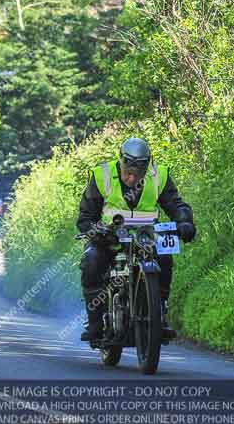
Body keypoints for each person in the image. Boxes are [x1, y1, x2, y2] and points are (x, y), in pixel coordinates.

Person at [76, 137, 196, 342]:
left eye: (138, 174)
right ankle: (95, 322)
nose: (132, 179)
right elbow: (85, 218)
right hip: (110, 238)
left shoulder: (159, 176)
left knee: (165, 258)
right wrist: (99, 231)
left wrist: (184, 221)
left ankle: (159, 314)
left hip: (146, 237)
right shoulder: (101, 176)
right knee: (91, 261)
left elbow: (176, 204)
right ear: (121, 163)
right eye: (128, 173)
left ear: (146, 167)